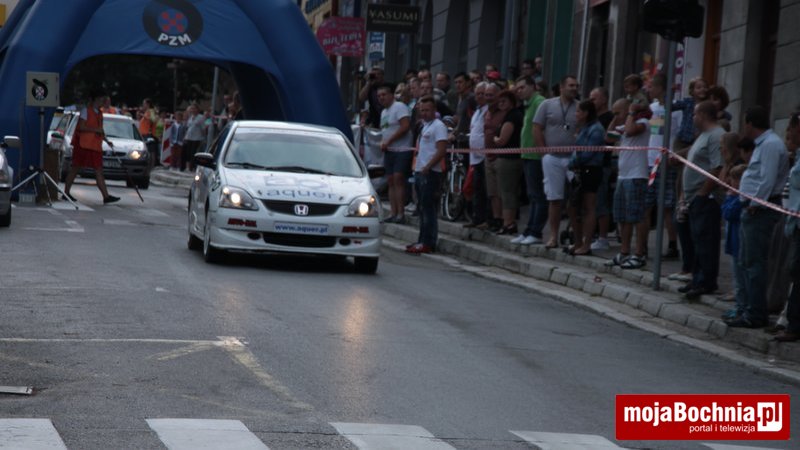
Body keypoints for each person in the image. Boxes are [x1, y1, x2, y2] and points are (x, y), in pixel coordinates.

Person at [726, 106, 790, 328]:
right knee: (746, 261)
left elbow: (767, 179)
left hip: (761, 210)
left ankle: (755, 313)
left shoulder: (770, 144)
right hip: (752, 207)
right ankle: (746, 308)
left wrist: (755, 203)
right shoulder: (763, 144)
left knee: (754, 263)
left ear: (751, 124)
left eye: (745, 123)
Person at [677, 101, 724, 300]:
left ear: (703, 115)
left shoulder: (716, 135)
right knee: (696, 240)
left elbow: (717, 167)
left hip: (705, 198)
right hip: (692, 197)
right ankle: (697, 278)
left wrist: (703, 193)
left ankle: (706, 281)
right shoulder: (702, 136)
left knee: (706, 240)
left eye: (695, 114)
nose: (693, 118)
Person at [533, 75, 579, 249]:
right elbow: (537, 127)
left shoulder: (580, 107)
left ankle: (577, 236)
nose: (574, 88)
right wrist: (543, 151)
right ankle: (553, 236)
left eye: (576, 86)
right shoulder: (547, 105)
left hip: (573, 158)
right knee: (554, 198)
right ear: (561, 87)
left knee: (575, 198)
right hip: (552, 157)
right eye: (571, 85)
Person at [606, 98, 650, 269]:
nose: (616, 116)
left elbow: (631, 131)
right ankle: (624, 252)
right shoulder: (624, 125)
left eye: (618, 112)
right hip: (623, 176)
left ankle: (639, 253)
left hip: (636, 175)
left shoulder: (642, 123)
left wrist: (631, 112)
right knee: (623, 216)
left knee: (637, 216)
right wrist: (615, 118)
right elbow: (609, 137)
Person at [406, 96, 448, 254]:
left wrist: (429, 166)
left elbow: (441, 150)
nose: (424, 113)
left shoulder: (438, 126)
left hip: (430, 173)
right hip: (420, 171)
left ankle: (428, 242)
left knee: (428, 209)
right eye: (422, 110)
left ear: (434, 110)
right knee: (422, 208)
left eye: (427, 110)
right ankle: (421, 240)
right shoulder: (424, 125)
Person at [63, 89, 120, 204]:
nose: (103, 102)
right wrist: (95, 130)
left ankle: (106, 196)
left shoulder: (99, 113)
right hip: (83, 145)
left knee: (99, 170)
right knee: (75, 168)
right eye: (101, 100)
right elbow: (81, 127)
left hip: (94, 146)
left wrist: (106, 140)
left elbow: (100, 130)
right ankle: (66, 193)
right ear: (95, 100)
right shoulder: (86, 111)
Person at [645, 73, 680, 259]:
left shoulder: (676, 109)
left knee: (667, 205)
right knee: (647, 203)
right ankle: (642, 245)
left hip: (666, 160)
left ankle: (672, 244)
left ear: (660, 88)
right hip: (650, 160)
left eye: (651, 86)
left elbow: (679, 134)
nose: (648, 90)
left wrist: (674, 154)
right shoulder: (651, 108)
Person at [567, 100, 606, 255]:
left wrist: (573, 162)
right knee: (573, 206)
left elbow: (587, 153)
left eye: (578, 111)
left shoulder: (596, 130)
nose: (576, 114)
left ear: (586, 113)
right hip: (579, 170)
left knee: (589, 206)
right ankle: (578, 241)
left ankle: (586, 243)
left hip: (590, 170)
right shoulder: (584, 128)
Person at [513, 76, 547, 245]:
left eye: (522, 87)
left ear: (532, 87)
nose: (519, 91)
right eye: (517, 88)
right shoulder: (528, 104)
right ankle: (529, 230)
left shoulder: (540, 102)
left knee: (537, 194)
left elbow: (540, 128)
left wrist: (541, 151)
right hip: (527, 154)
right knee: (532, 194)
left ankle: (535, 231)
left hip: (536, 155)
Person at [777, 112, 800, 342]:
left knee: (796, 270)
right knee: (794, 270)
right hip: (794, 223)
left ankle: (794, 324)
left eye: (792, 128)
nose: (789, 133)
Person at [377, 84, 413, 224]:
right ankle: (393, 212)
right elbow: (385, 130)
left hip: (402, 149)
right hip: (390, 150)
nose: (381, 98)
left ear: (391, 95)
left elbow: (405, 126)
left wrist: (390, 140)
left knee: (398, 178)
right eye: (379, 96)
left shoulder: (399, 107)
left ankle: (401, 213)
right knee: (391, 180)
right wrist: (383, 141)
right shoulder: (383, 112)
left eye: (384, 95)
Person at [492, 90, 524, 235]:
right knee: (508, 191)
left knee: (507, 192)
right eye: (499, 102)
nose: (501, 104)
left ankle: (508, 223)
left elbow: (502, 140)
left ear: (511, 101)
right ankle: (509, 222)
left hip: (509, 159)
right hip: (511, 157)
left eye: (504, 101)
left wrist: (494, 138)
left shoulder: (512, 117)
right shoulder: (512, 115)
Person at [589, 87, 616, 251]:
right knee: (590, 202)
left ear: (604, 100)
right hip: (589, 164)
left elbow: (609, 139)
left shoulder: (609, 118)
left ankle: (603, 236)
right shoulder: (592, 118)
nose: (591, 102)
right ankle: (591, 233)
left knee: (600, 201)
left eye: (594, 98)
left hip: (602, 164)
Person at [464, 82, 489, 229]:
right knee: (476, 188)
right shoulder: (477, 111)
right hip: (475, 157)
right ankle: (477, 218)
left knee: (485, 189)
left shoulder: (488, 110)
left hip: (485, 156)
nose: (479, 97)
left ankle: (485, 218)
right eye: (477, 94)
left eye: (482, 94)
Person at [183, 103, 205, 171]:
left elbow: (203, 128)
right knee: (188, 152)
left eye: (194, 108)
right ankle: (187, 167)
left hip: (197, 138)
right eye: (192, 109)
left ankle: (191, 167)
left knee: (193, 153)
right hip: (189, 137)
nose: (192, 110)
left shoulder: (201, 117)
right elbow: (188, 127)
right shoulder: (190, 117)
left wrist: (203, 137)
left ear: (197, 109)